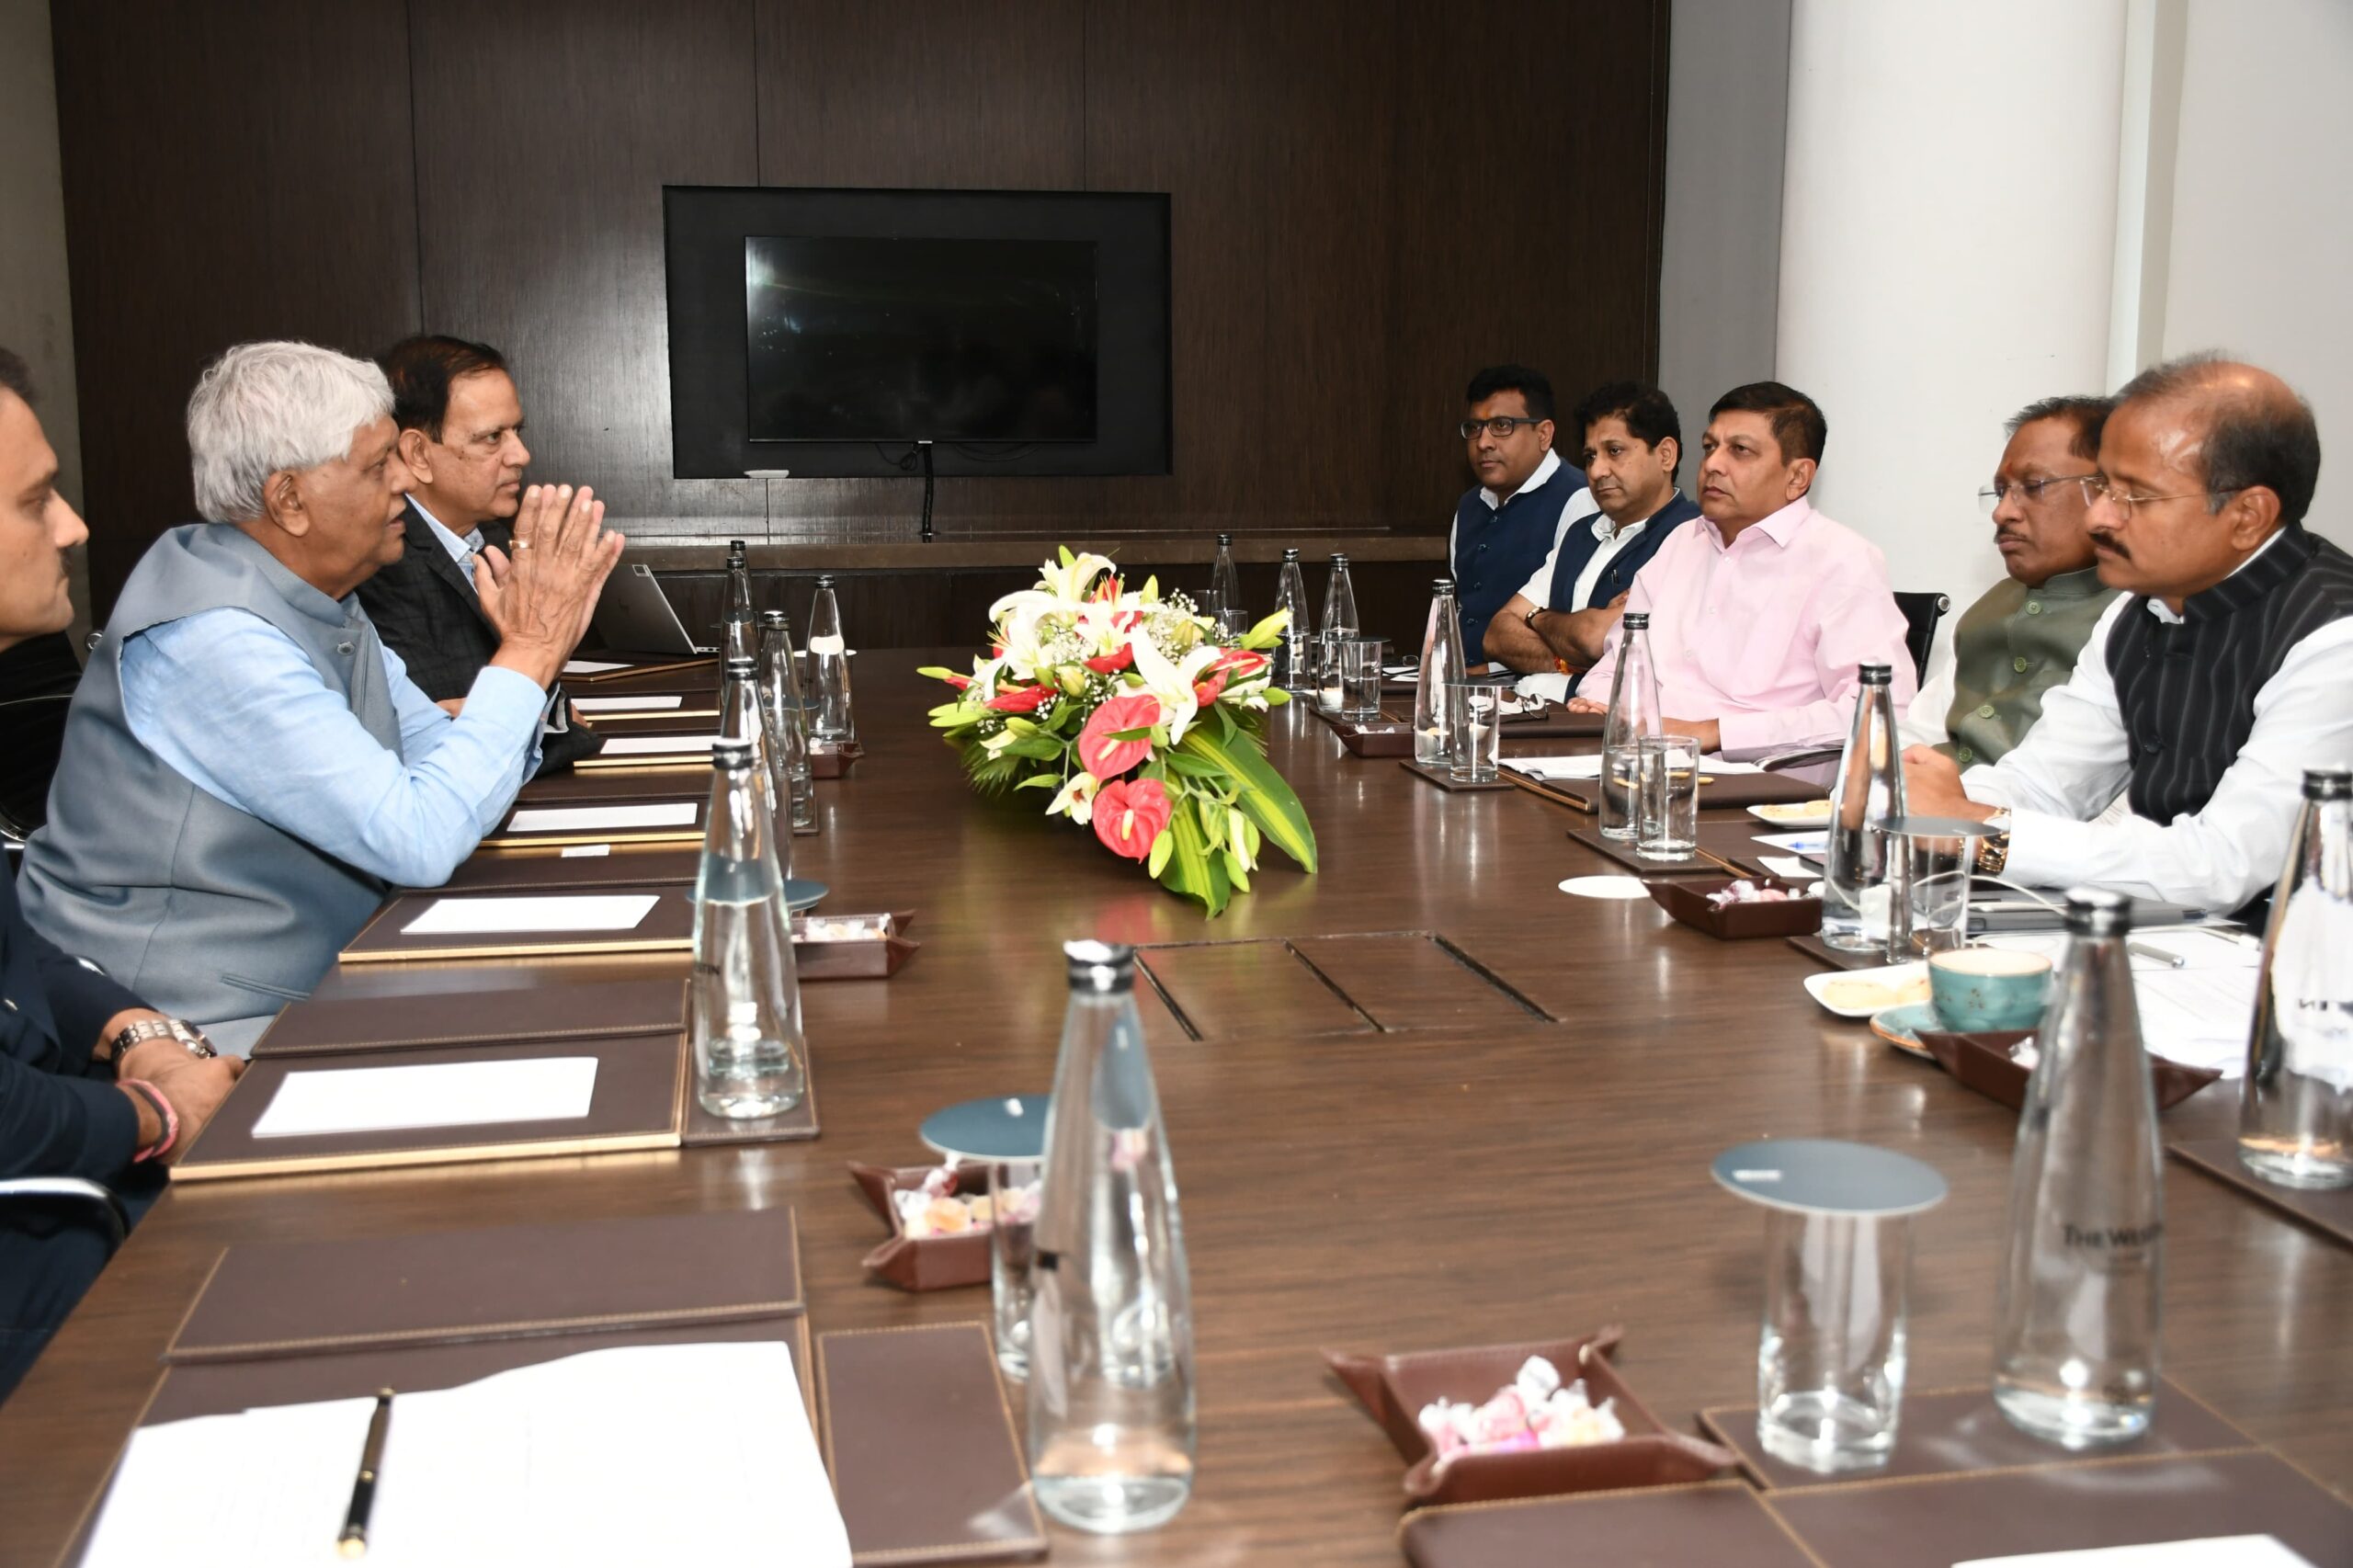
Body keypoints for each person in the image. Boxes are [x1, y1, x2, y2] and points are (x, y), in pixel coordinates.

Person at [18, 341, 622, 1048]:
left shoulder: (316, 595)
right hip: (190, 1025)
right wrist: (530, 651)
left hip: (323, 968)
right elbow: (421, 838)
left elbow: (436, 751)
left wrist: (523, 673)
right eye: (378, 464)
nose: (406, 479)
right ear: (290, 500)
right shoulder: (217, 639)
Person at [0, 346, 244, 1403]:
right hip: (46, 1269)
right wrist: (159, 1114)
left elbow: (18, 954)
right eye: (35, 500)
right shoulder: (209, 624)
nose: (73, 527)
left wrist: (136, 1030)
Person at [1904, 354, 2353, 915]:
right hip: (2176, 929)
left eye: (2134, 496)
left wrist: (1975, 829)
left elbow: (2223, 866)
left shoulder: (2334, 638)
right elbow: (2047, 784)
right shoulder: (2136, 610)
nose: (2098, 519)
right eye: (2103, 488)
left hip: (2303, 947)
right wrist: (1921, 803)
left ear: (2248, 515)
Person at [1571, 381, 1914, 756]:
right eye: (1710, 447)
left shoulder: (1842, 561)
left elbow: (1878, 709)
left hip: (1754, 779)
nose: (1712, 464)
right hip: (1642, 761)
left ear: (1797, 477)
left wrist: (1717, 732)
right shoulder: (1682, 542)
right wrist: (1599, 705)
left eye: (1740, 450)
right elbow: (1617, 665)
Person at [358, 335, 601, 772]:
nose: (521, 454)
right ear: (418, 454)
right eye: (492, 438)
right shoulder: (382, 563)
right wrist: (549, 723)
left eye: (516, 432)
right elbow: (456, 745)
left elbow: (503, 712)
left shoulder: (494, 538)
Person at [1901, 396, 2119, 765]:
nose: (2002, 513)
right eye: (2001, 492)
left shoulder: (2142, 617)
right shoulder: (1991, 607)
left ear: (2110, 489)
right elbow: (1919, 733)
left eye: (2034, 486)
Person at [1482, 381, 1699, 699]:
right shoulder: (1582, 534)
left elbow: (1594, 638)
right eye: (1590, 456)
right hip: (1533, 709)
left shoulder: (1691, 536)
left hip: (1599, 720)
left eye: (1614, 451)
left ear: (1666, 455)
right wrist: (1569, 659)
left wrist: (1536, 617)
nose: (1597, 471)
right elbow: (1497, 634)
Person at [1448, 365, 1599, 658]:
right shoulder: (1468, 506)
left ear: (1544, 434)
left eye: (1502, 426)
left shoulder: (1580, 500)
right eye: (1474, 428)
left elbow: (1576, 625)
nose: (1483, 442)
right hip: (1462, 675)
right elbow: (1463, 608)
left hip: (1538, 680)